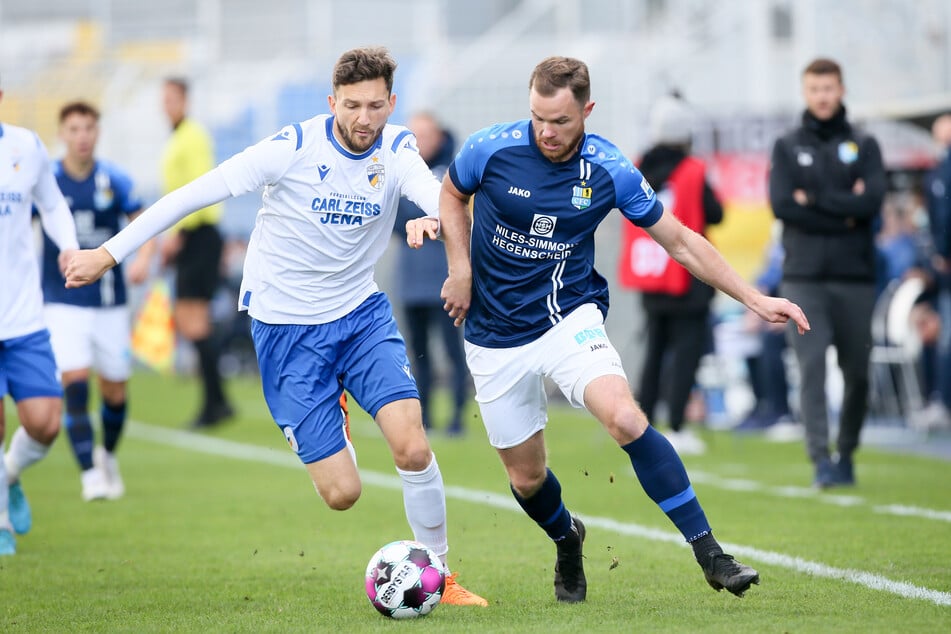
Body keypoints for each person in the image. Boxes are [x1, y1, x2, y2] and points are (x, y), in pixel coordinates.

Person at [63, 47, 486, 606]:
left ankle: (442, 576)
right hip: (287, 330)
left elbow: (441, 195)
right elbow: (193, 194)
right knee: (343, 494)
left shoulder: (399, 146)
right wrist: (109, 254)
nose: (365, 118)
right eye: (353, 105)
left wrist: (436, 214)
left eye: (376, 106)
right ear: (332, 101)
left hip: (360, 315)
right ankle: (331, 408)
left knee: (411, 445)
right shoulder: (291, 148)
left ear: (392, 103)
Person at [406, 56, 809, 603]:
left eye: (561, 121)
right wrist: (460, 268)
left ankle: (711, 554)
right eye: (538, 118)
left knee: (623, 416)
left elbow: (681, 241)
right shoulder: (490, 147)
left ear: (587, 111)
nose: (546, 132)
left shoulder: (610, 169)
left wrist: (754, 298)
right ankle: (567, 539)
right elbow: (452, 194)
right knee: (526, 480)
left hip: (567, 317)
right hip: (492, 335)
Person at [768, 58, 886, 489]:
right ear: (805, 91)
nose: (822, 96)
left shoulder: (865, 144)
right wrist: (843, 209)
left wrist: (812, 200)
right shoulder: (786, 145)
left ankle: (847, 451)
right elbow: (782, 205)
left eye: (829, 88)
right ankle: (820, 457)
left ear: (841, 90)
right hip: (804, 278)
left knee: (857, 371)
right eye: (815, 88)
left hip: (855, 277)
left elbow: (871, 202)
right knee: (812, 367)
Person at [40, 101, 151, 501]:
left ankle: (106, 455)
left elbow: (144, 222)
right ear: (62, 134)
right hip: (62, 300)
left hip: (110, 302)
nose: (82, 136)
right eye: (74, 129)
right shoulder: (48, 180)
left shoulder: (114, 180)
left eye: (88, 128)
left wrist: (144, 258)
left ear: (97, 132)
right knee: (74, 381)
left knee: (115, 390)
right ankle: (89, 473)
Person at [618, 94, 723, 455]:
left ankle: (641, 425)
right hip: (687, 276)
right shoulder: (692, 169)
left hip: (652, 272)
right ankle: (677, 425)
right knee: (686, 353)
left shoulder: (637, 167)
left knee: (655, 351)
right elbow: (715, 212)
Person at [0, 82, 80, 555]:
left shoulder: (25, 147)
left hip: (23, 316)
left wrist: (67, 245)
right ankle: (2, 522)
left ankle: (9, 477)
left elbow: (51, 204)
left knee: (46, 423)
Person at [160, 77, 234, 428]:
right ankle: (218, 400)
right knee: (190, 321)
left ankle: (214, 404)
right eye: (164, 99)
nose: (167, 105)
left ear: (185, 100)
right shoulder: (178, 136)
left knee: (195, 320)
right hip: (191, 236)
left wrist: (180, 233)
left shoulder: (193, 136)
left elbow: (198, 189)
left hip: (199, 235)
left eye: (172, 98)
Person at [393, 112, 469, 435]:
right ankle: (424, 418)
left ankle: (457, 419)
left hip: (446, 279)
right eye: (413, 135)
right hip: (411, 283)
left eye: (424, 134)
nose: (418, 141)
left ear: (439, 135)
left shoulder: (455, 171)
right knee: (418, 355)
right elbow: (396, 220)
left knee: (453, 353)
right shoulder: (401, 170)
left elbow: (454, 214)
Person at [924, 114, 951, 424]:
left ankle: (943, 402)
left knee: (946, 337)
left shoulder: (942, 171)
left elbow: (942, 214)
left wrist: (942, 253)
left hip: (948, 266)